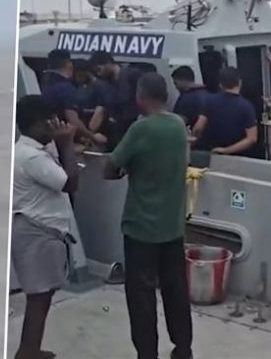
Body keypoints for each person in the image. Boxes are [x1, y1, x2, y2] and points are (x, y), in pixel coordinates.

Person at [103, 73, 193, 359]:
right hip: (172, 227)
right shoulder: (178, 125)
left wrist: (129, 169)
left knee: (141, 298)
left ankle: (147, 354)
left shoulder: (140, 129)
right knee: (176, 291)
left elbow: (110, 168)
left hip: (141, 228)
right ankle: (182, 348)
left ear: (141, 96)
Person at [11, 95, 80, 359]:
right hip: (36, 233)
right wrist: (67, 142)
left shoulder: (36, 150)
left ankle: (30, 349)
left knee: (43, 295)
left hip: (40, 232)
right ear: (37, 124)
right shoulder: (31, 157)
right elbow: (70, 182)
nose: (57, 124)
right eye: (51, 120)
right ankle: (26, 353)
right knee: (38, 299)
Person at [40, 49, 107, 146]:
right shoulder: (66, 89)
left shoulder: (45, 85)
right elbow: (73, 120)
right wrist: (93, 137)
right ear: (69, 65)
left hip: (49, 141)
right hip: (65, 142)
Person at [193, 67, 258, 156]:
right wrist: (226, 150)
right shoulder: (247, 107)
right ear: (240, 82)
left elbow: (198, 127)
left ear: (220, 85)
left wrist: (193, 140)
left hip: (213, 154)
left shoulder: (209, 101)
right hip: (238, 157)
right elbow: (252, 138)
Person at [72, 60, 108, 136]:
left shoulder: (100, 86)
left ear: (85, 72)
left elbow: (100, 111)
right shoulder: (80, 87)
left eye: (78, 75)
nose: (76, 78)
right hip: (83, 128)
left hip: (96, 131)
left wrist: (90, 133)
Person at [171, 66, 208, 131]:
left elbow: (178, 125)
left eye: (175, 83)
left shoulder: (185, 99)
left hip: (199, 138)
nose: (175, 87)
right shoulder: (207, 93)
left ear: (183, 80)